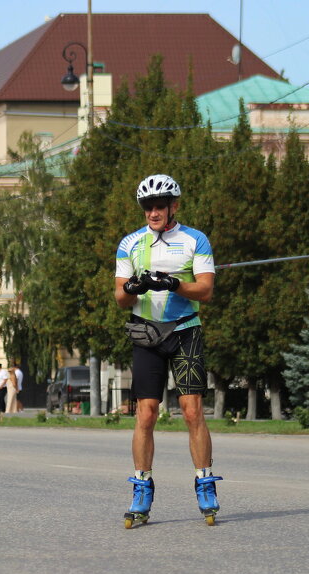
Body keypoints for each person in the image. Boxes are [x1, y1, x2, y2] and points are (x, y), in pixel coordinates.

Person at [114, 174, 219, 528]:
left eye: (160, 205)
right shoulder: (130, 243)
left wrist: (174, 283)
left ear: (174, 206)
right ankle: (142, 487)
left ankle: (204, 482)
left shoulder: (195, 239)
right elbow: (120, 298)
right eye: (148, 206)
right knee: (145, 414)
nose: (153, 212)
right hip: (147, 333)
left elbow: (205, 291)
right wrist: (133, 285)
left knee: (192, 411)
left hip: (185, 330)